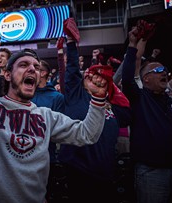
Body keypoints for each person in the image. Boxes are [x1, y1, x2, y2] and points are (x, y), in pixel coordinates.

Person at [0, 29, 109, 203]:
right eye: (24, 65)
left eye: (36, 67)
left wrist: (99, 97)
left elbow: (88, 134)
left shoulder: (47, 117)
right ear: (7, 74)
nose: (33, 69)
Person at [57, 18, 132, 203]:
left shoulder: (111, 103)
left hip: (107, 173)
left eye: (100, 77)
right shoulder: (76, 95)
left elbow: (128, 111)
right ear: (83, 81)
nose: (96, 79)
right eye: (91, 76)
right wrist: (71, 42)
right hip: (78, 171)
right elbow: (72, 69)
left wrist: (133, 48)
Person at [121, 26, 172, 203]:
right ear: (146, 79)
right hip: (151, 173)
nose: (164, 74)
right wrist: (132, 44)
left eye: (165, 71)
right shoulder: (140, 98)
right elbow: (129, 75)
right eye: (158, 71)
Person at [30, 59, 66, 202]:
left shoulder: (57, 97)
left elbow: (58, 129)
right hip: (21, 159)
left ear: (43, 73)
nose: (30, 71)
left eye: (35, 68)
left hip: (46, 159)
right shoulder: (26, 94)